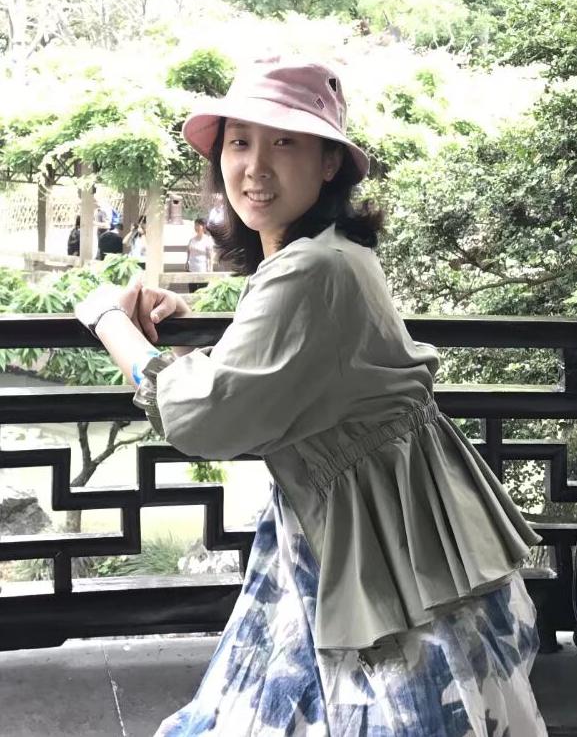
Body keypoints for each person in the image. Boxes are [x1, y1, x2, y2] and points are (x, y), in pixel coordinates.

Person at [75, 59, 547, 736]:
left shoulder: (311, 269)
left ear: (329, 163)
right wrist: (190, 333)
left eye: (284, 143)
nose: (255, 167)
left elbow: (204, 418)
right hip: (398, 525)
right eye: (239, 143)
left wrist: (108, 322)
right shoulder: (332, 252)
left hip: (377, 545)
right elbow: (275, 375)